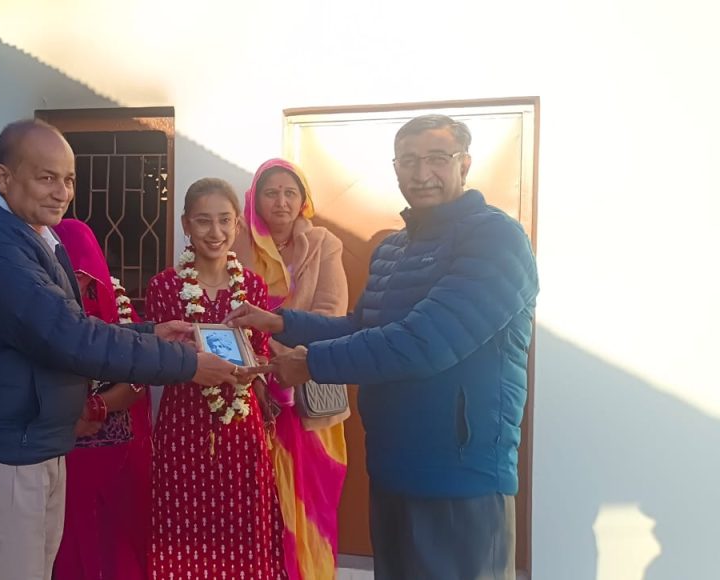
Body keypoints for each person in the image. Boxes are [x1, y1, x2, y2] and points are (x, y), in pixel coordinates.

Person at [226, 115, 540, 580]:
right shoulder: (393, 250)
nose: (421, 173)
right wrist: (282, 322)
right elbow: (361, 326)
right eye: (408, 161)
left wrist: (311, 363)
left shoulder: (495, 239)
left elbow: (424, 342)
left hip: (461, 476)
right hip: (392, 466)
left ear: (464, 164)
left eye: (437, 158)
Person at [0, 120, 238, 580]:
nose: (62, 193)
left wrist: (151, 333)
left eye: (69, 179)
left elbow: (66, 327)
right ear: (4, 177)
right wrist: (188, 363)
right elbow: (70, 338)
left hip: (30, 449)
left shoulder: (31, 236)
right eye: (46, 178)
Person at [144, 177, 287, 579]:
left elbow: (259, 352)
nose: (216, 232)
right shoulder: (165, 287)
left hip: (241, 426)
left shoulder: (252, 286)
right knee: (182, 527)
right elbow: (155, 359)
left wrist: (254, 366)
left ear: (237, 224)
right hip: (183, 426)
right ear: (186, 225)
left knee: (241, 528)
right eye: (203, 221)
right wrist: (189, 363)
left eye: (225, 220)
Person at [232, 158, 350, 579]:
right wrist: (260, 369)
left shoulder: (323, 244)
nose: (281, 202)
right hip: (249, 391)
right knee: (256, 500)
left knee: (310, 500)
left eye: (290, 193)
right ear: (255, 199)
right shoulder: (236, 244)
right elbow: (225, 313)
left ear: (303, 199)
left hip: (305, 392)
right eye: (271, 193)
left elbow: (331, 314)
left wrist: (280, 359)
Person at [50, 218, 152, 579]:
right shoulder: (39, 313)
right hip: (59, 456)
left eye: (84, 269)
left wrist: (96, 407)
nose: (78, 278)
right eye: (68, 268)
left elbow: (140, 378)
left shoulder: (117, 310)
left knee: (113, 546)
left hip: (114, 455)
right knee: (65, 545)